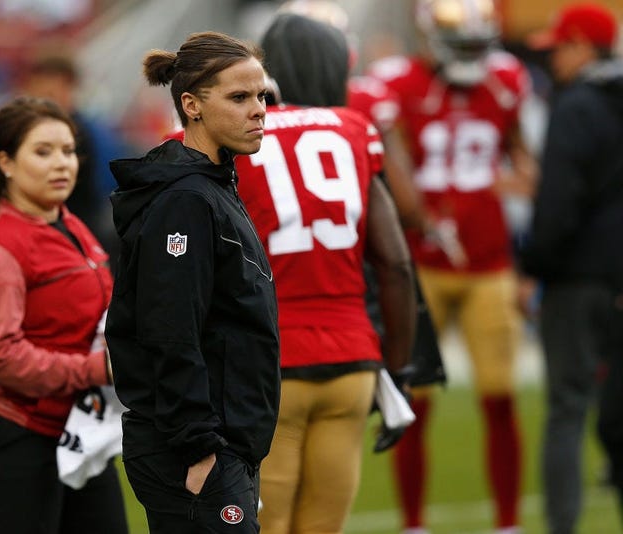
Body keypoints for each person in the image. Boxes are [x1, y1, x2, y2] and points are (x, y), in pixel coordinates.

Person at [231, 13, 417, 534]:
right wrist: (398, 370)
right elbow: (397, 263)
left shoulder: (235, 137)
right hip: (351, 362)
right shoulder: (354, 128)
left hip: (270, 362)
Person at [366, 0, 539, 532]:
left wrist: (520, 181)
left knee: (499, 396)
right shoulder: (397, 84)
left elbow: (520, 156)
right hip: (422, 265)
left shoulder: (506, 79)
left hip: (489, 263)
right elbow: (382, 162)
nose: (469, 56)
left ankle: (507, 523)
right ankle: (414, 523)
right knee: (412, 404)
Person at [104, 31, 280, 534]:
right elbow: (170, 328)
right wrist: (199, 446)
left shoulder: (214, 186)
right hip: (195, 449)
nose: (259, 110)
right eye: (239, 97)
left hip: (225, 446)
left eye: (262, 96)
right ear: (191, 105)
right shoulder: (185, 200)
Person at [0, 96, 128, 534]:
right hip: (6, 432)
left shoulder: (69, 223)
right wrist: (98, 368)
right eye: (43, 152)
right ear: (6, 162)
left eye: (68, 151)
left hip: (74, 427)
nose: (62, 164)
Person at [521, 3, 623, 532]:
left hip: (577, 278)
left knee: (567, 409)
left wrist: (532, 262)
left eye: (559, 47)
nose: (553, 59)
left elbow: (558, 205)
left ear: (582, 44)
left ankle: (563, 528)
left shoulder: (576, 104)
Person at [22, 49, 129, 268]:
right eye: (39, 92)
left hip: (77, 240)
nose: (44, 100)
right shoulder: (28, 131)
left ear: (69, 88)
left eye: (51, 92)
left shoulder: (81, 133)